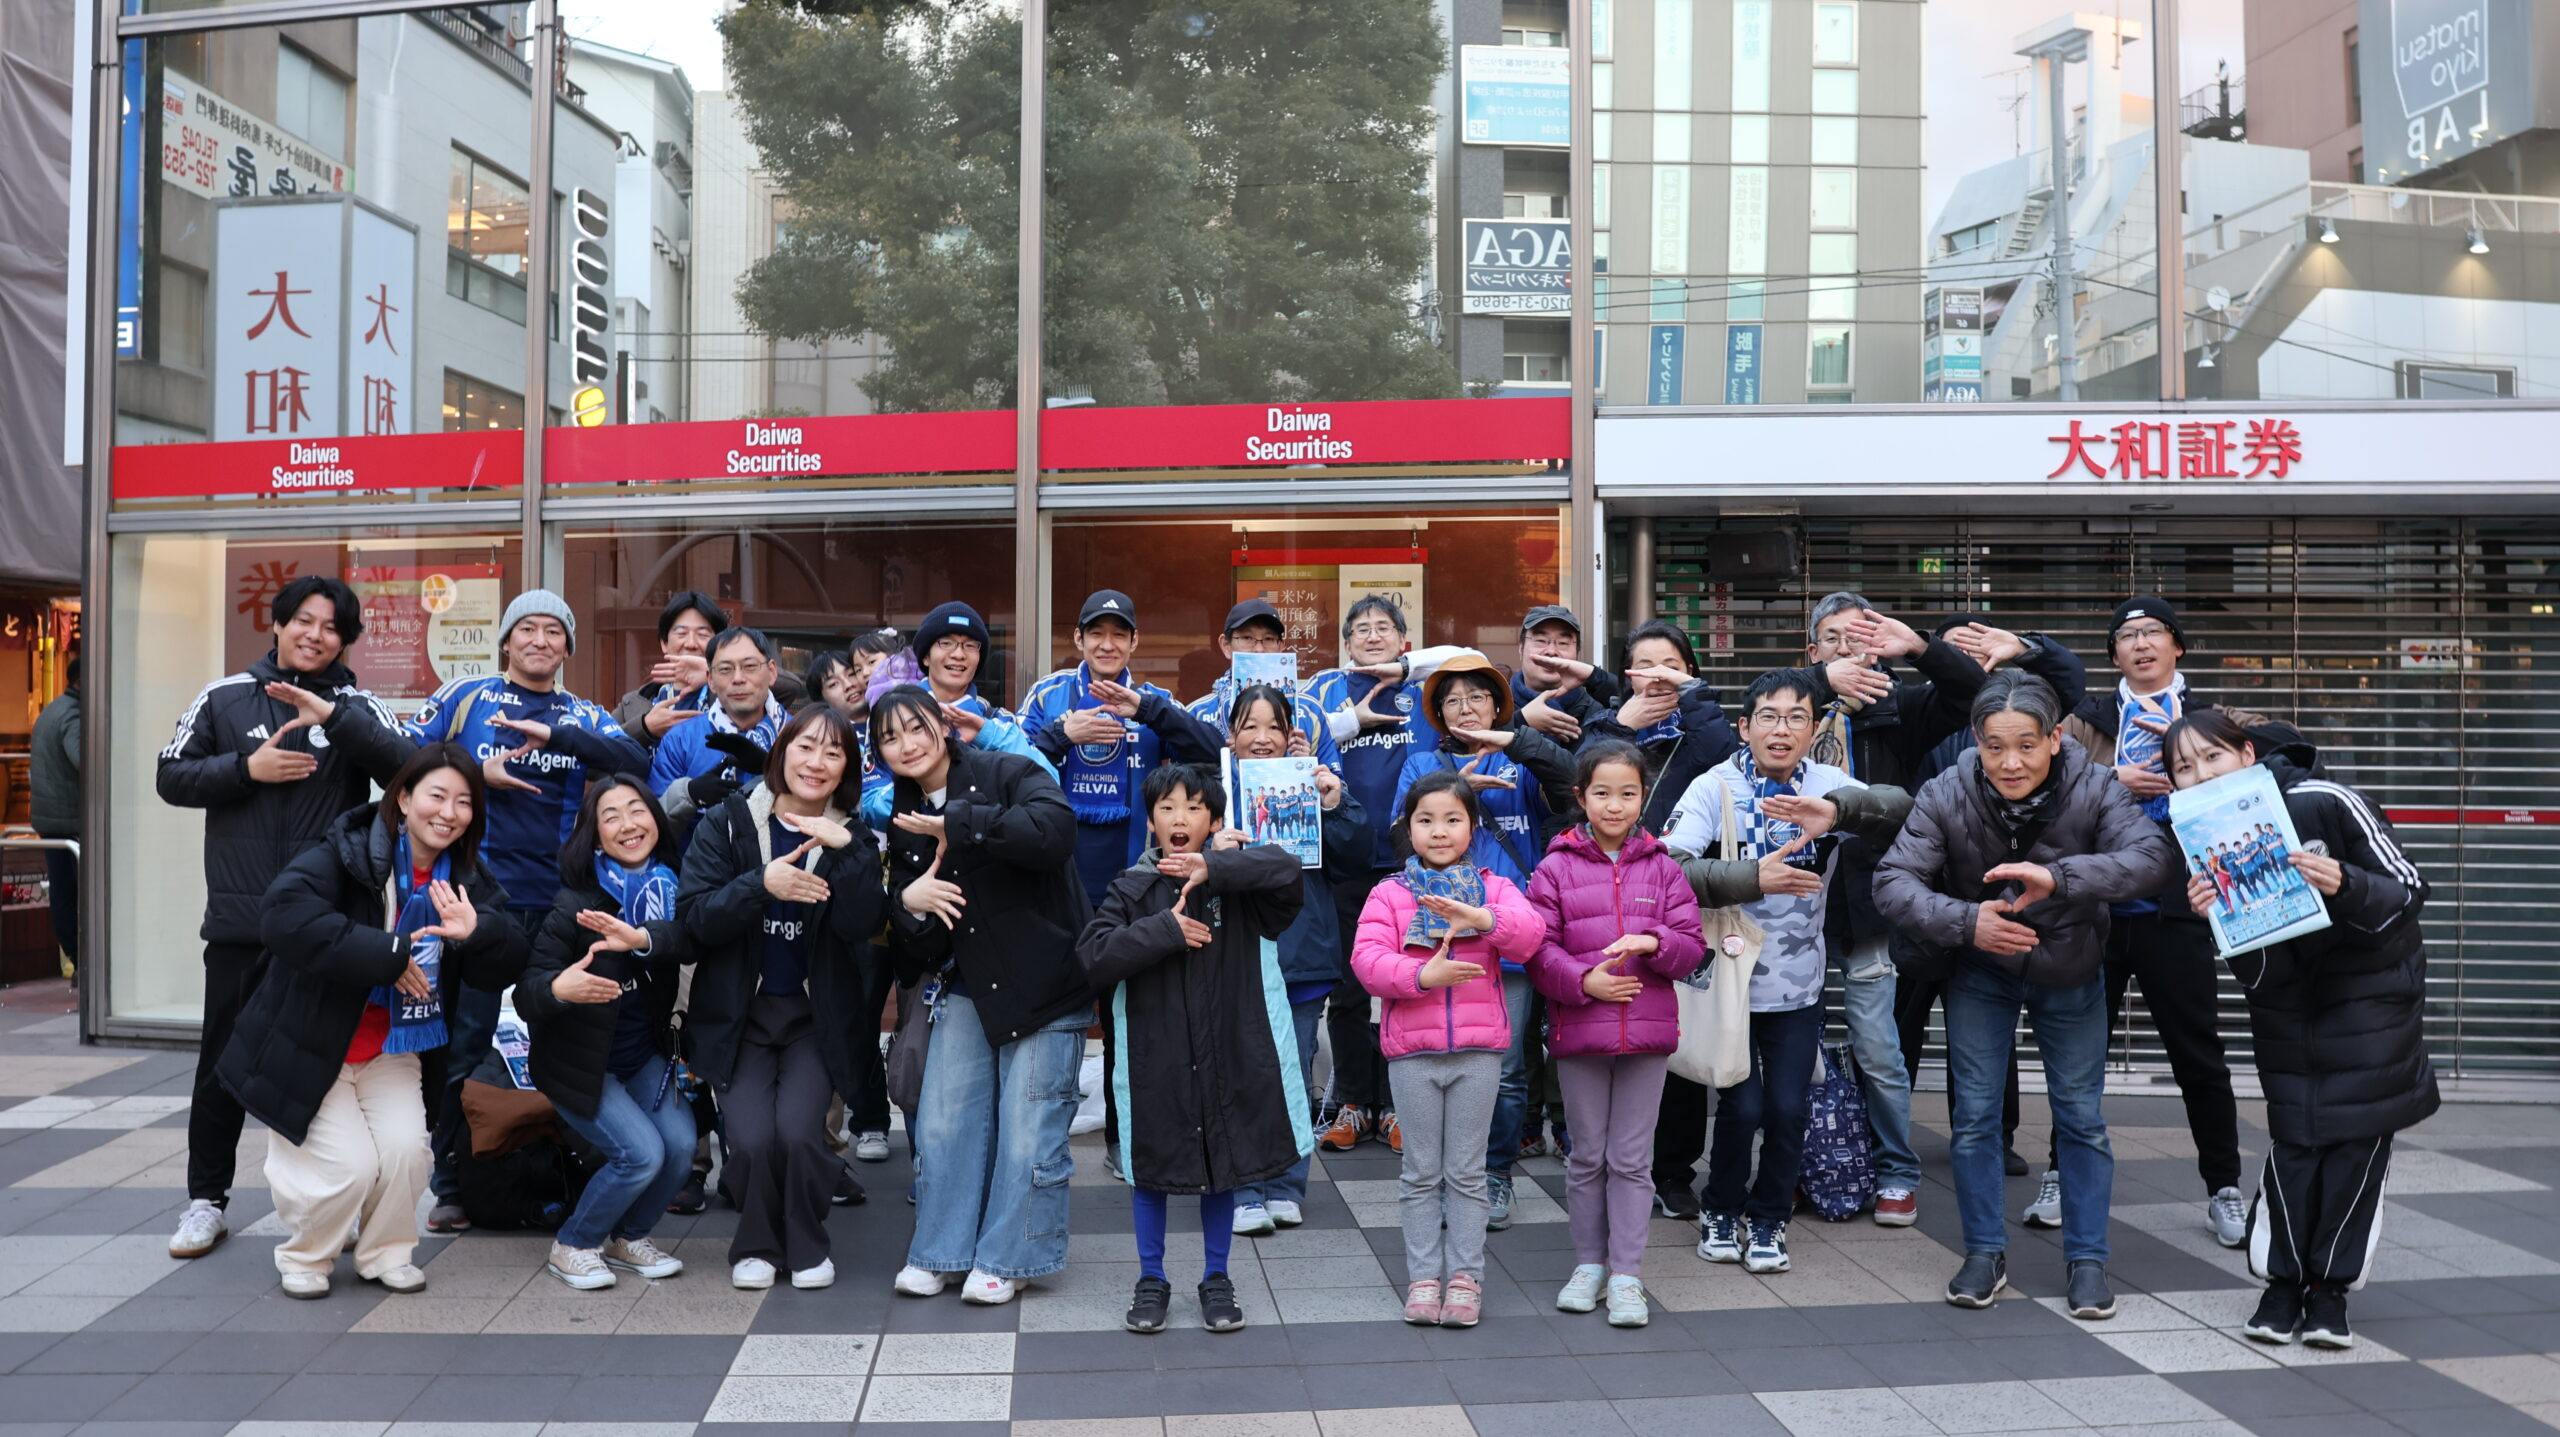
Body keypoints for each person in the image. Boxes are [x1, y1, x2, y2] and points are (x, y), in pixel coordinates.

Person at [1873, 671, 2177, 1320]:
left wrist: (2060, 877)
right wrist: (1967, 921)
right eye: (1994, 747)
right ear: (1976, 742)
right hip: (1981, 967)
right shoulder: (1947, 789)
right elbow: (1893, 880)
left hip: (2071, 965)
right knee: (1975, 1117)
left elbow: (2153, 857)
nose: (2010, 762)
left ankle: (2088, 1259)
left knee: (2081, 1117)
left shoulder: (2095, 784)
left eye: (2026, 745)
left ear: (2055, 739)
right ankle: (1984, 1252)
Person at [1796, 595, 2088, 1226]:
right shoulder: (1791, 707)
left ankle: (1893, 1171)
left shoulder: (1901, 709)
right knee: (1791, 1048)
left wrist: (1921, 647)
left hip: (1873, 909)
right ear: (1813, 652)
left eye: (1859, 638)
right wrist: (1818, 685)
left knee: (1880, 1047)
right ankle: (1800, 1167)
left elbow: (1971, 693)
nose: (1847, 650)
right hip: (1790, 906)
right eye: (1833, 640)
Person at [159, 574, 418, 1260]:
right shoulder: (223, 696)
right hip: (240, 924)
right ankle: (206, 1202)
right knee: (221, 1065)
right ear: (277, 623)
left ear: (345, 641)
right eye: (303, 619)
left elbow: (410, 769)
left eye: (331, 627)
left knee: (323, 1065)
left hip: (325, 931)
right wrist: (247, 769)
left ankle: (339, 1202)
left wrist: (334, 718)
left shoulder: (356, 705)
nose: (315, 634)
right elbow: (170, 775)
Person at [2164, 712, 2438, 1351]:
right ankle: (2281, 1286)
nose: (2201, 775)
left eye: (2212, 757)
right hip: (2289, 1015)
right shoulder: (2201, 841)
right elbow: (2260, 974)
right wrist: (2218, 919)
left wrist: (2343, 882)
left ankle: (2330, 1292)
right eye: (2183, 768)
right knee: (2294, 1148)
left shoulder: (2325, 799)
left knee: (2355, 1152)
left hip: (2370, 1005)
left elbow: (2407, 890)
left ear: (2246, 754)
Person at [215, 743, 527, 1298]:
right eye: (437, 796)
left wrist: (478, 932)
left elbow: (511, 956)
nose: (449, 813)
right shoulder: (348, 850)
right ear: (403, 798)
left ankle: (385, 1252)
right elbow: (282, 915)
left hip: (395, 1045)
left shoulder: (465, 878)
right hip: (312, 1041)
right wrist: (390, 954)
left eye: (463, 802)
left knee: (407, 1152)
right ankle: (306, 1255)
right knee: (349, 1167)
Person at [406, 589, 648, 1233]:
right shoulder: (466, 697)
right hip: (478, 903)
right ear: (506, 640)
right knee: (465, 1043)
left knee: (564, 1044)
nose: (540, 640)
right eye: (527, 629)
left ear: (568, 646)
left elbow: (636, 762)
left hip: (561, 906)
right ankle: (451, 1180)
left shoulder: (582, 713)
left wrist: (562, 737)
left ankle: (571, 1170)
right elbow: (405, 758)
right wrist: (473, 775)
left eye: (554, 631)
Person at [1660, 670, 1911, 1276]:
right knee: (1742, 1107)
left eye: (1797, 717)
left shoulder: (1827, 783)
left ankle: (1769, 1219)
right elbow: (1670, 868)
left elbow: (1901, 810)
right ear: (1744, 727)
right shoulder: (1713, 785)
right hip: (1730, 982)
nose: (1782, 730)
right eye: (1769, 717)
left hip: (1800, 984)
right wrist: (1753, 878)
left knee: (1788, 1110)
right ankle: (1721, 1209)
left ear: (1812, 728)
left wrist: (1839, 810)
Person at [2041, 596, 2257, 1247]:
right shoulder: (2085, 720)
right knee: (2078, 1056)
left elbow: (2269, 769)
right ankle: (2060, 1175)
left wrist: (2193, 760)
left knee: (2199, 1055)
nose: (2140, 643)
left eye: (2153, 631)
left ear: (2176, 645)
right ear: (2113, 654)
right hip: (2096, 909)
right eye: (2127, 635)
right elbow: (2040, 787)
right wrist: (2112, 777)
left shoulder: (2212, 718)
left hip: (2178, 907)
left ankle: (2223, 1187)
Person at [877, 686, 1093, 1304]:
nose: (906, 745)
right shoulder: (901, 815)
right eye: (889, 738)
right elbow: (917, 945)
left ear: (944, 726)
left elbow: (1055, 831)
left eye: (915, 727)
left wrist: (961, 823)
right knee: (944, 1126)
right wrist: (908, 904)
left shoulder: (1006, 770)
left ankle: (1008, 1258)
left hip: (1047, 983)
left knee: (1028, 1131)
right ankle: (940, 1253)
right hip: (967, 986)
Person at [1076, 765, 1306, 1334]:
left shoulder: (1240, 886)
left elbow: (1288, 869)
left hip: (1227, 1055)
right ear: (1151, 823)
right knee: (1150, 1170)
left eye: (1195, 808)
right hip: (1154, 1061)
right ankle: (1151, 1278)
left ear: (1216, 821)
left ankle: (1216, 1277)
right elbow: (1092, 957)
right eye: (1168, 808)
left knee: (1221, 1167)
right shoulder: (1131, 888)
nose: (1180, 818)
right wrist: (1164, 931)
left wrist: (1220, 867)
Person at [676, 706, 886, 1290]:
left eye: (833, 752)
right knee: (749, 1140)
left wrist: (848, 852)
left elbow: (865, 922)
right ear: (781, 753)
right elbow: (693, 920)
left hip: (814, 1018)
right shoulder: (729, 822)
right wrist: (759, 885)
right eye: (805, 747)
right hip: (739, 1015)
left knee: (797, 1134)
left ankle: (805, 1242)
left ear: (846, 768)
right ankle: (757, 1246)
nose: (816, 763)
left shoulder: (852, 833)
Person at [1351, 768, 1546, 1330]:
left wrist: (1481, 919)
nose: (1439, 831)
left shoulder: (1494, 887)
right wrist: (1422, 976)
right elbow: (1367, 962)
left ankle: (1465, 1279)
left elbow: (1530, 936)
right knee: (1419, 1173)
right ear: (1408, 828)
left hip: (1478, 1053)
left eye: (1452, 819)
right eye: (1426, 820)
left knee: (1466, 1172)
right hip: (1412, 1054)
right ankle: (1423, 1279)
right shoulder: (1389, 892)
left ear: (1472, 827)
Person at [1525, 740, 1705, 1329]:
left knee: (1631, 1160)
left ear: (1643, 797)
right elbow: (1537, 950)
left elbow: (1691, 949)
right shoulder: (1554, 868)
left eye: (1628, 793)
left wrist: (1654, 941)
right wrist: (1585, 982)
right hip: (1580, 1031)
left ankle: (1626, 1274)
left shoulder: (1665, 867)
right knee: (1585, 1158)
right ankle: (1588, 1265)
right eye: (1601, 792)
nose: (1614, 804)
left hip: (1646, 1037)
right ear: (1581, 797)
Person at [1391, 653, 1574, 1232]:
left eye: (1477, 697)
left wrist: (1520, 740)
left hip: (1507, 930)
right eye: (1452, 700)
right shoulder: (1422, 763)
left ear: (1498, 705)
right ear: (1438, 713)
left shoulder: (1521, 758)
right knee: (1438, 1061)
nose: (1465, 708)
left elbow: (1571, 785)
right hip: (1435, 935)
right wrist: (1454, 792)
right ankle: (1446, 1176)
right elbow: (1395, 838)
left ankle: (1494, 1172)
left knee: (1508, 1067)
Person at [1572, 620, 1742, 1223]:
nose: (1656, 676)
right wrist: (1623, 725)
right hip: (1597, 894)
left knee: (1675, 1035)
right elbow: (1579, 771)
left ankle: (1672, 1171)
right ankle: (1600, 1161)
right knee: (1602, 1029)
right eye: (1643, 665)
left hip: (1669, 897)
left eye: (1669, 664)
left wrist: (1691, 696)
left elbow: (1722, 749)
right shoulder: (1608, 724)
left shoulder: (1699, 734)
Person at [516, 776, 697, 1290]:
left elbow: (688, 937)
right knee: (641, 1154)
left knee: (681, 1146)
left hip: (641, 1054)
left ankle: (628, 1236)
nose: (628, 825)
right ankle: (574, 1243)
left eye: (637, 810)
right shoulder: (575, 906)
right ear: (595, 836)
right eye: (610, 816)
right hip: (579, 1064)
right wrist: (560, 988)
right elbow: (527, 993)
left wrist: (641, 938)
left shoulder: (672, 887)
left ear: (655, 820)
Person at [1304, 597, 1465, 1158]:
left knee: (1410, 983)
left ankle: (1397, 1105)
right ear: (1346, 643)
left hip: (1411, 864)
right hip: (1344, 861)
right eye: (1361, 630)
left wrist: (1404, 668)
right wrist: (1351, 722)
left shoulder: (1424, 688)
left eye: (1384, 628)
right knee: (1349, 991)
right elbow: (1287, 729)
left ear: (1403, 640)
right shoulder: (1325, 690)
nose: (1372, 637)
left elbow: (1467, 657)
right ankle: (1353, 1101)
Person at [1223, 685, 1373, 1236]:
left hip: (1302, 954)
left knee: (1294, 1071)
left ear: (1292, 735)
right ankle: (1244, 1188)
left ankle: (1286, 1185)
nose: (1262, 739)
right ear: (1231, 735)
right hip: (1234, 957)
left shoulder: (1312, 783)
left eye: (1274, 727)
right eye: (1249, 726)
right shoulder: (1216, 788)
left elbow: (1355, 859)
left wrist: (1334, 803)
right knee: (1240, 1071)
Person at [1022, 590, 1224, 906]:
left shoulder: (1153, 700)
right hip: (1055, 878)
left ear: (1134, 641)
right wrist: (1063, 735)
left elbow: (1214, 751)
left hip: (1135, 882)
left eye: (1118, 635)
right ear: (1078, 638)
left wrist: (1146, 710)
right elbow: (1014, 767)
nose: (1107, 645)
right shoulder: (1047, 694)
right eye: (1096, 634)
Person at [652, 626, 788, 834]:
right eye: (725, 669)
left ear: (772, 672)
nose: (738, 678)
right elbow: (652, 825)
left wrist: (771, 769)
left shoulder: (799, 735)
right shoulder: (680, 740)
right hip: (699, 854)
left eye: (750, 666)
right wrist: (689, 795)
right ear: (710, 679)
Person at [1183, 600, 1340, 762]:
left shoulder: (1311, 711)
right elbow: (1180, 776)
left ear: (1281, 646)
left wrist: (1307, 766)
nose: (1259, 649)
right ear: (1226, 645)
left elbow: (1334, 778)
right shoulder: (1197, 714)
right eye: (1247, 638)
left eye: (1269, 639)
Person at [612, 590, 729, 752]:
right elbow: (599, 754)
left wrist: (716, 674)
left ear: (719, 644)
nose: (691, 644)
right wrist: (645, 727)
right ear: (664, 644)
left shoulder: (734, 691)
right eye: (681, 633)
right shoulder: (632, 704)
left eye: (702, 634)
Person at [29, 656, 79, 981]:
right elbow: (84, 758)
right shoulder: (74, 715)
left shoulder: (52, 710)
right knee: (79, 895)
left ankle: (77, 958)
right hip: (72, 820)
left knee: (62, 893)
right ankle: (84, 961)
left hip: (50, 819)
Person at [1512, 604, 1622, 747]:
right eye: (1540, 641)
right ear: (1521, 648)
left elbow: (1635, 703)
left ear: (1577, 653)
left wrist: (1594, 676)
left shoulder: (1598, 712)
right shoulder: (1495, 705)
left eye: (1563, 643)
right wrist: (1519, 721)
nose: (1551, 651)